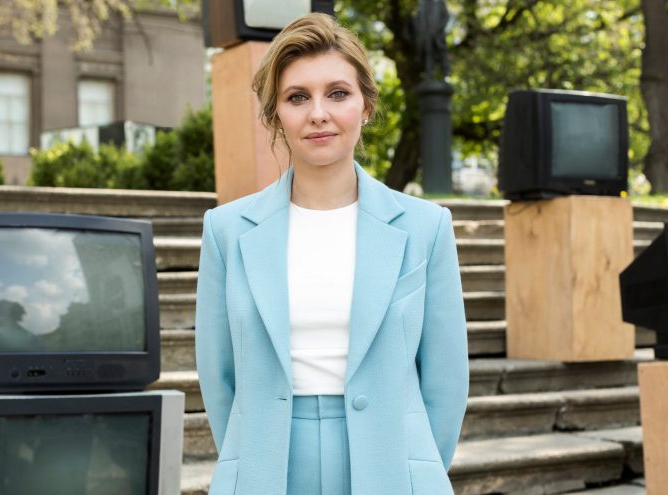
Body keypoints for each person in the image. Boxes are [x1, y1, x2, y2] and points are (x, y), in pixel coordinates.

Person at [195, 13, 468, 495]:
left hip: (393, 466)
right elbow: (218, 377)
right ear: (275, 114)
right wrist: (247, 459)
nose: (318, 112)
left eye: (337, 93)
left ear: (365, 106)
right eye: (297, 97)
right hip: (265, 467)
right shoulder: (227, 230)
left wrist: (416, 466)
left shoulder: (426, 226)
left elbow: (446, 379)